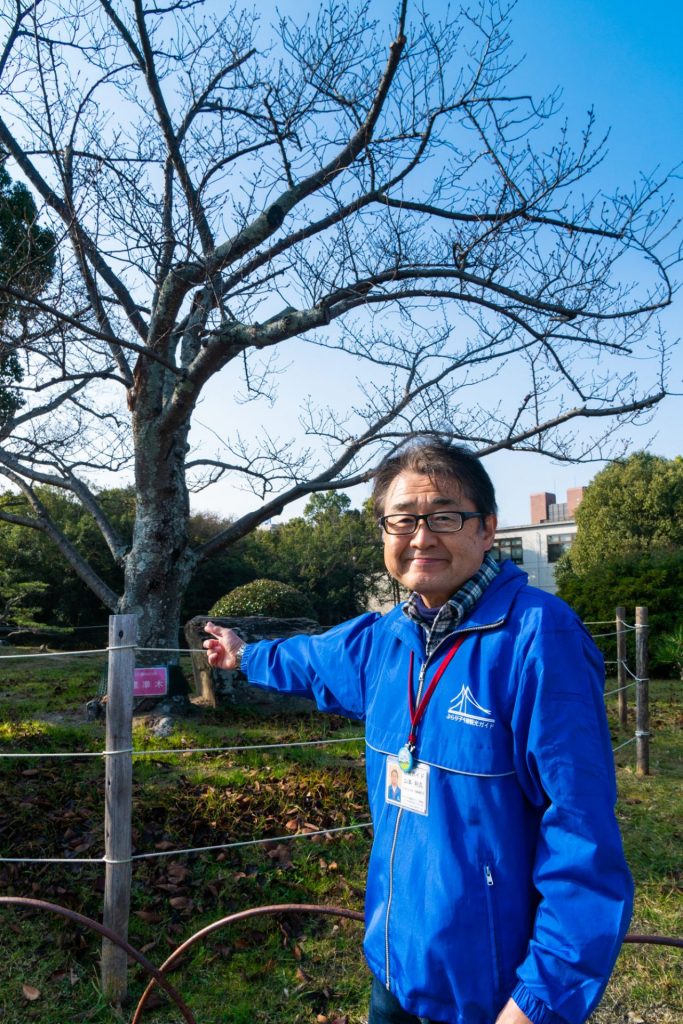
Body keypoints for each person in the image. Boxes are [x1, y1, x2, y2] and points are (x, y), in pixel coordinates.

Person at [203, 440, 633, 1024]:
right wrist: (245, 655)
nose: (421, 536)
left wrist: (540, 1002)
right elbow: (312, 659)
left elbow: (581, 835)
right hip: (394, 964)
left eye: (445, 517)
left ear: (486, 529)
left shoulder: (538, 639)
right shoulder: (387, 638)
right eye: (402, 520)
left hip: (491, 992)